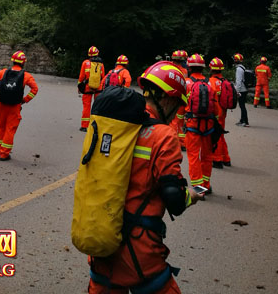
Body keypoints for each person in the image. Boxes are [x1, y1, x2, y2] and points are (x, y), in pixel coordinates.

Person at [88, 61, 204, 294]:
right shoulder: (163, 136)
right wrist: (191, 195)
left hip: (101, 241)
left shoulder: (114, 125)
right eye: (177, 105)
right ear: (169, 100)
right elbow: (174, 200)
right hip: (139, 252)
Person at [0, 50, 38, 160]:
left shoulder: (4, 72)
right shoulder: (26, 76)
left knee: (2, 127)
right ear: (23, 62)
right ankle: (4, 154)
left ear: (13, 61)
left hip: (2, 104)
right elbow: (35, 89)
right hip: (15, 106)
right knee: (10, 129)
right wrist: (25, 100)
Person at [184, 53, 217, 193]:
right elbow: (215, 109)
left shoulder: (186, 83)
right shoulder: (210, 83)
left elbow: (181, 105)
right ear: (203, 68)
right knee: (207, 156)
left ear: (190, 67)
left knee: (193, 157)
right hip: (208, 125)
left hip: (192, 124)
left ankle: (198, 189)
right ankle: (206, 185)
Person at [208, 57, 231, 168]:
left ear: (211, 69)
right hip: (224, 112)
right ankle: (226, 158)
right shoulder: (225, 81)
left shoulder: (211, 82)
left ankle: (217, 160)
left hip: (215, 113)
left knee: (216, 135)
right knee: (221, 134)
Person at [78, 46, 105, 131]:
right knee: (98, 106)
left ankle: (84, 126)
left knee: (86, 107)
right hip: (98, 88)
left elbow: (81, 76)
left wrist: (79, 86)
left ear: (89, 54)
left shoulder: (85, 63)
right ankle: (96, 126)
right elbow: (103, 76)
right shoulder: (101, 64)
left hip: (87, 88)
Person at [171, 50, 189, 150]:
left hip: (172, 98)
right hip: (182, 98)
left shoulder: (170, 69)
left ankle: (173, 141)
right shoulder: (185, 71)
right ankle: (182, 143)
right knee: (181, 121)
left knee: (173, 121)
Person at [233, 53, 249, 126]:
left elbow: (239, 81)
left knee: (242, 106)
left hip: (242, 90)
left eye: (235, 59)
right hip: (244, 89)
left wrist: (237, 91)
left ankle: (245, 121)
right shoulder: (243, 67)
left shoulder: (239, 69)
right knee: (242, 105)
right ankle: (242, 120)